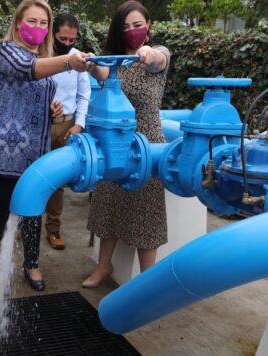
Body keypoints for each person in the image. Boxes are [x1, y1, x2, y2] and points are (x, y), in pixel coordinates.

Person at [0, 0, 90, 291]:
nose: (38, 28)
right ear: (17, 24)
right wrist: (70, 61)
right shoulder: (6, 51)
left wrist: (50, 107)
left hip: (37, 150)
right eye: (32, 21)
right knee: (5, 209)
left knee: (33, 207)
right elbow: (29, 70)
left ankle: (32, 264)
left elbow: (37, 84)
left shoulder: (42, 56)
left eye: (43, 23)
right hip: (6, 148)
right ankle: (0, 268)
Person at [82, 0, 170, 288]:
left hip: (148, 144)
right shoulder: (116, 58)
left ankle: (147, 282)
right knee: (107, 204)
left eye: (137, 25)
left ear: (148, 27)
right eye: (126, 27)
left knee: (146, 213)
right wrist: (93, 65)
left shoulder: (157, 55)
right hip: (114, 142)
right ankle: (103, 267)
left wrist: (149, 53)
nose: (132, 31)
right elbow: (103, 74)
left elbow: (159, 59)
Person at [45, 14, 91, 250]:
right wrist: (46, 106)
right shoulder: (41, 55)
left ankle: (53, 229)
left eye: (72, 39)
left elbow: (84, 94)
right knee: (29, 174)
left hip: (66, 124)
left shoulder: (78, 58)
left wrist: (79, 124)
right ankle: (24, 225)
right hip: (40, 124)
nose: (67, 43)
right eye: (63, 38)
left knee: (57, 180)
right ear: (54, 34)